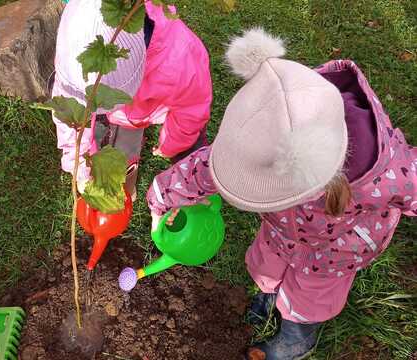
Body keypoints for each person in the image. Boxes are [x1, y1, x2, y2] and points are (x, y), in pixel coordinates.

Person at [146, 27, 417, 359]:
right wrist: (160, 198)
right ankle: (270, 295)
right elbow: (208, 167)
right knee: (266, 267)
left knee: (308, 299)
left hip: (334, 252)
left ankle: (295, 336)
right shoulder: (268, 128)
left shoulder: (385, 171)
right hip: (280, 232)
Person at [51, 0, 212, 199]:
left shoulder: (181, 61)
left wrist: (171, 144)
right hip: (127, 113)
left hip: (149, 108)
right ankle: (122, 189)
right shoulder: (74, 49)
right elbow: (72, 116)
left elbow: (191, 112)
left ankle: (191, 196)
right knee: (122, 148)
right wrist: (79, 166)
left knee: (189, 153)